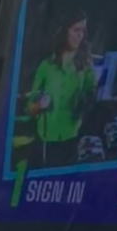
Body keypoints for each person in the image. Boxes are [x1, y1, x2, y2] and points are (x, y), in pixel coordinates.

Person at [27, 13, 98, 167]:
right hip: (45, 140)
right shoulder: (46, 66)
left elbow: (92, 96)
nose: (80, 35)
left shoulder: (85, 66)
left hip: (72, 138)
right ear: (65, 31)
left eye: (83, 31)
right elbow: (29, 108)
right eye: (76, 30)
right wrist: (39, 105)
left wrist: (84, 102)